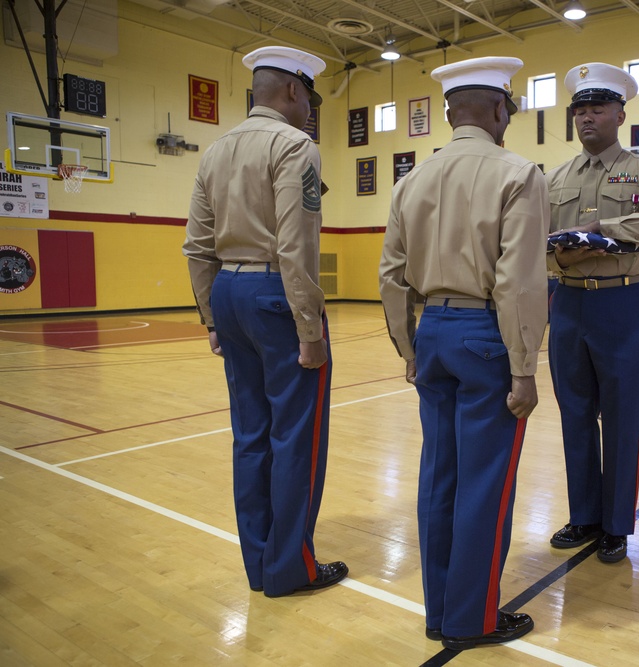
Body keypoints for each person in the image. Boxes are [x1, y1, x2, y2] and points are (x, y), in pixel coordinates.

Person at [378, 56, 548, 650]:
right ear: (501, 109)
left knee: (439, 476)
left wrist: (408, 345)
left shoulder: (411, 180)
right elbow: (519, 282)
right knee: (484, 481)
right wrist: (524, 367)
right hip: (484, 336)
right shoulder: (518, 173)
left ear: (451, 112)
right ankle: (472, 618)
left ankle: (439, 609)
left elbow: (392, 275)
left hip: (433, 333)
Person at [183, 46, 348, 598]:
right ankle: (290, 568)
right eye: (310, 99)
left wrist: (211, 315)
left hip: (228, 292)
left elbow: (197, 245)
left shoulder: (216, 150)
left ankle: (260, 563)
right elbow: (296, 245)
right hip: (275, 294)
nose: (309, 112)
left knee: (250, 436)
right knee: (296, 437)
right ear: (295, 92)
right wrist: (310, 330)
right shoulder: (294, 145)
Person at [545, 62, 639, 564]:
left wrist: (600, 231)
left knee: (622, 417)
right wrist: (561, 255)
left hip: (622, 302)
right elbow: (534, 243)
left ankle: (617, 525)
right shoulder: (554, 177)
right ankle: (583, 515)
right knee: (575, 414)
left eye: (597, 108)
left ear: (620, 114)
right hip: (568, 302)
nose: (586, 118)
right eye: (579, 110)